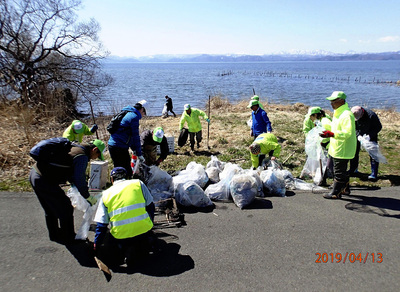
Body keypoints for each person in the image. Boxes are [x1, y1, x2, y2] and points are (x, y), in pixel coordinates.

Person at [29, 139, 105, 244]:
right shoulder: (82, 157)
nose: (95, 158)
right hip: (45, 181)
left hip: (36, 174)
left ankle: (55, 235)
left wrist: (74, 184)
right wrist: (87, 196)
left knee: (50, 209)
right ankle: (69, 238)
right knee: (66, 208)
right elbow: (79, 178)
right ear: (94, 149)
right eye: (97, 155)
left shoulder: (76, 147)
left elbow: (68, 169)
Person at [93, 167, 155, 266]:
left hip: (121, 235)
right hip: (144, 229)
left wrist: (97, 243)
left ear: (112, 179)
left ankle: (124, 249)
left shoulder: (105, 195)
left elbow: (101, 224)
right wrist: (150, 223)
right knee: (143, 237)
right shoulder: (138, 184)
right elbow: (151, 206)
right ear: (127, 177)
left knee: (109, 237)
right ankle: (143, 244)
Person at [320, 91, 356, 199]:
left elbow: (347, 133)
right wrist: (328, 133)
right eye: (331, 101)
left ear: (341, 101)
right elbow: (335, 128)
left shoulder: (346, 114)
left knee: (339, 171)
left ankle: (336, 193)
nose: (331, 103)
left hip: (343, 148)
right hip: (336, 146)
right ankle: (345, 189)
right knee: (339, 169)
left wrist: (333, 134)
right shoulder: (338, 112)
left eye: (334, 101)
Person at [108, 103, 146, 179]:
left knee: (118, 168)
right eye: (144, 113)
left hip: (112, 145)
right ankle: (124, 186)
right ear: (141, 109)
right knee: (126, 171)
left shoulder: (127, 112)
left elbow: (129, 135)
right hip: (119, 146)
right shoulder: (134, 117)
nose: (143, 116)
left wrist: (134, 149)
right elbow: (135, 137)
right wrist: (139, 154)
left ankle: (116, 185)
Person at [349, 106, 382, 181]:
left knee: (373, 154)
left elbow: (378, 127)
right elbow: (352, 126)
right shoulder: (351, 115)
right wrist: (358, 135)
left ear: (362, 113)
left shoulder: (371, 115)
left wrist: (369, 136)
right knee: (354, 152)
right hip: (358, 135)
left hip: (370, 135)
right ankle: (353, 169)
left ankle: (374, 173)